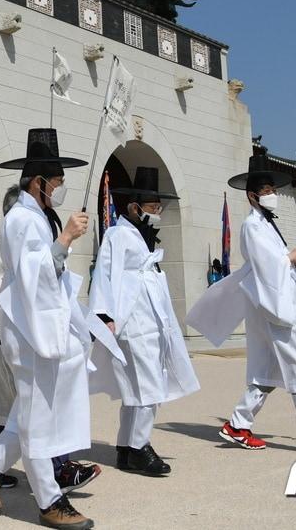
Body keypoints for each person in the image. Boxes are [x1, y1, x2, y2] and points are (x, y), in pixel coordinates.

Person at [0, 128, 95, 530]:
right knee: (37, 416)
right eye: (56, 181)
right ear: (38, 181)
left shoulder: (36, 216)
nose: (60, 188)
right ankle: (49, 499)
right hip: (29, 331)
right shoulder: (23, 219)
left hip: (39, 327)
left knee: (30, 411)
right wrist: (64, 240)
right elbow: (30, 276)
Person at [186, 156, 296, 455]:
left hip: (268, 303)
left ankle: (238, 424)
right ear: (252, 195)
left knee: (267, 370)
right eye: (266, 189)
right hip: (273, 306)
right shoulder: (252, 226)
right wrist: (291, 258)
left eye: (274, 188)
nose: (272, 194)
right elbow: (265, 265)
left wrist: (288, 259)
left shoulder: (266, 225)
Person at [88, 167, 200, 477]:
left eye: (158, 207)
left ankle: (125, 448)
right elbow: (104, 275)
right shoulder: (117, 234)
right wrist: (104, 315)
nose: (157, 213)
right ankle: (140, 447)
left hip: (153, 320)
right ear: (134, 207)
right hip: (132, 321)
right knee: (148, 386)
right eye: (152, 208)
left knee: (140, 387)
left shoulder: (144, 236)